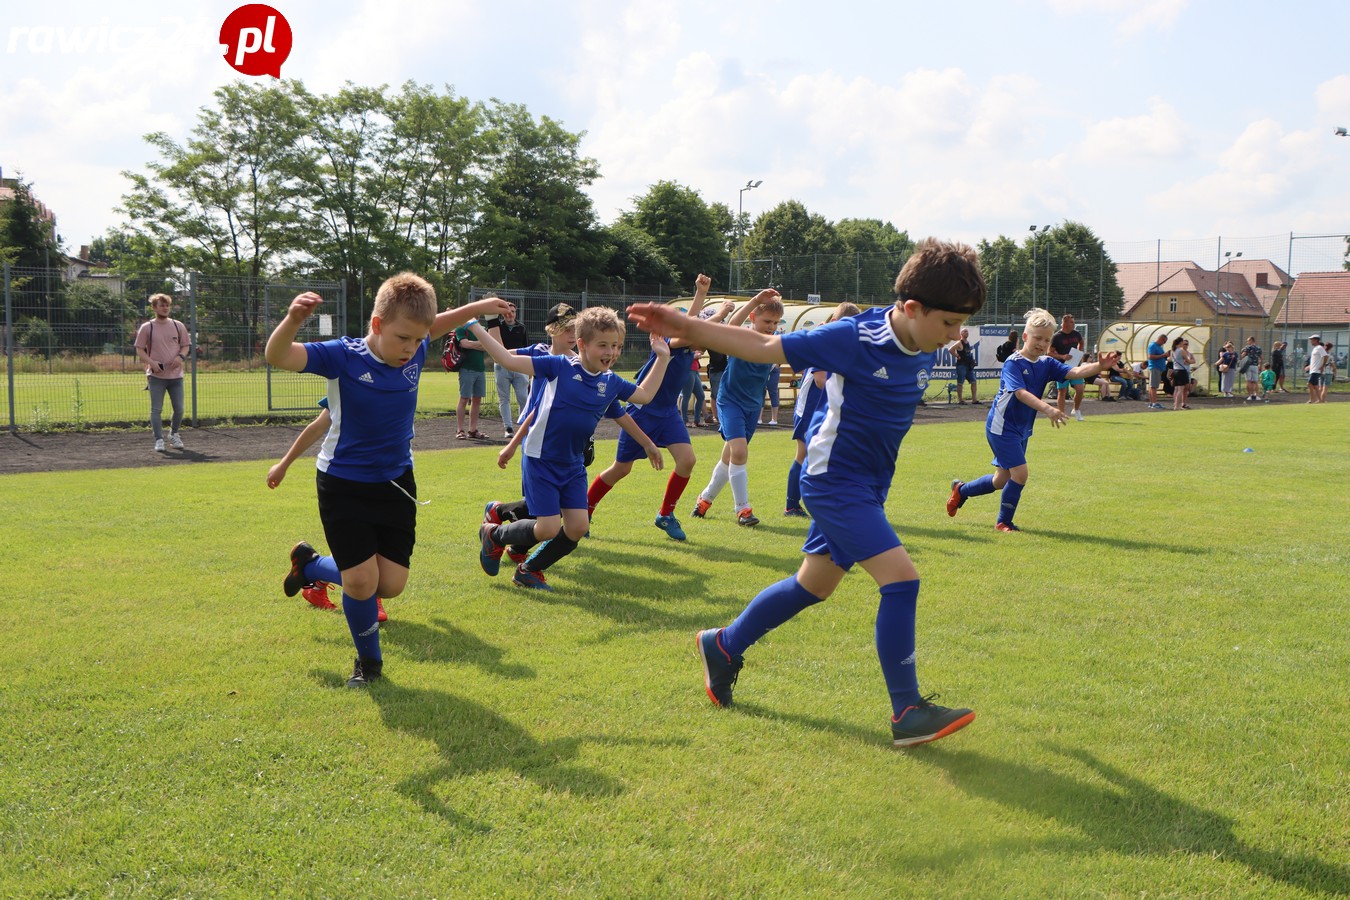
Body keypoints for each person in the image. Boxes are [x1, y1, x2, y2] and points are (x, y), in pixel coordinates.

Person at [628, 237, 988, 748]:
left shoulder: (921, 338)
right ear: (912, 309)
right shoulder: (854, 336)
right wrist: (689, 327)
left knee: (813, 585)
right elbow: (764, 347)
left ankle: (723, 646)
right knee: (902, 581)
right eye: (949, 324)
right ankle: (907, 710)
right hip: (833, 482)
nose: (956, 335)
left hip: (867, 485)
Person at [265, 273, 509, 687]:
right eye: (403, 339)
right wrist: (292, 319)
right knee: (362, 582)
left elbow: (440, 322)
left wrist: (479, 307)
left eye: (418, 341)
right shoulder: (343, 356)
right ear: (377, 325)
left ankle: (310, 568)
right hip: (342, 483)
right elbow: (277, 356)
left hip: (396, 482)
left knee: (390, 585)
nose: (412, 349)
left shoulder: (414, 344)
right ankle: (369, 664)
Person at [473, 307, 668, 591]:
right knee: (548, 527)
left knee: (578, 527)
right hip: (541, 460)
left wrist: (662, 357)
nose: (611, 352)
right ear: (582, 344)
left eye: (615, 346)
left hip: (573, 465)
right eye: (603, 345)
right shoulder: (558, 366)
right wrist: (474, 324)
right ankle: (494, 535)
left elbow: (645, 395)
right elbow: (506, 359)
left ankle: (529, 570)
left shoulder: (609, 381)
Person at [947, 307, 1119, 533]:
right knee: (1020, 474)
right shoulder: (1013, 362)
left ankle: (962, 490)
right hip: (1002, 427)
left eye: (1046, 340)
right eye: (1037, 338)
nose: (1041, 343)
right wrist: (1048, 409)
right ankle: (1003, 522)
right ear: (1025, 337)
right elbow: (1020, 393)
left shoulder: (1047, 363)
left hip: (1021, 428)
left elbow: (1074, 373)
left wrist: (1098, 366)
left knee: (1001, 480)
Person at [587, 274, 714, 542]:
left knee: (688, 460)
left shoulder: (688, 350)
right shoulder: (671, 345)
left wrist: (726, 311)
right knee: (621, 469)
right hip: (641, 414)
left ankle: (665, 515)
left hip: (667, 413)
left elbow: (704, 331)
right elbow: (687, 329)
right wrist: (700, 295)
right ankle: (584, 511)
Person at [266, 398, 388, 621]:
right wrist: (283, 465)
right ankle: (372, 599)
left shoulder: (398, 381)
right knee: (365, 547)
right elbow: (317, 426)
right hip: (345, 479)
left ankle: (313, 571)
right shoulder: (347, 381)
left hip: (386, 477)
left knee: (379, 547)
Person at [689, 290, 785, 527]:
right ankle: (743, 510)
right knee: (739, 452)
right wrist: (754, 300)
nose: (771, 327)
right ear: (753, 317)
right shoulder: (740, 337)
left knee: (730, 456)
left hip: (753, 407)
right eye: (766, 321)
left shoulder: (774, 344)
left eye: (775, 322)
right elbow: (732, 323)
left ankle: (705, 499)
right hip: (730, 403)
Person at [785, 302, 862, 517]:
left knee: (827, 455)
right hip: (809, 408)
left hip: (825, 409)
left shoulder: (839, 344)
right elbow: (820, 380)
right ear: (835, 323)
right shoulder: (824, 341)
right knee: (804, 454)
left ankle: (828, 502)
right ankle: (791, 505)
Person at [134, 293, 192, 452]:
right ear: (154, 308)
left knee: (179, 408)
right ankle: (159, 439)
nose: (165, 308)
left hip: (176, 376)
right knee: (156, 409)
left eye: (167, 305)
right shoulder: (148, 327)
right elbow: (139, 349)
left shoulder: (177, 325)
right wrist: (151, 363)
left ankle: (174, 434)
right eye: (161, 305)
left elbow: (186, 346)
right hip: (156, 376)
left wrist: (180, 357)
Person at [491, 301, 530, 438]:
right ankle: (508, 428)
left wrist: (528, 370)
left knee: (523, 397)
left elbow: (526, 349)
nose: (510, 314)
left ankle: (523, 425)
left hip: (519, 367)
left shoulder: (522, 328)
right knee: (504, 399)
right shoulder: (498, 327)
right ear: (503, 314)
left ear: (515, 313)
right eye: (507, 312)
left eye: (512, 312)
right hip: (501, 367)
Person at [454, 310, 489, 440]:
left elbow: (487, 346)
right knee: (464, 398)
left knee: (477, 400)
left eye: (477, 315)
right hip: (467, 368)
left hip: (480, 369)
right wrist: (481, 344)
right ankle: (460, 430)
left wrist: (474, 345)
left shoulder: (481, 330)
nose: (476, 317)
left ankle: (473, 430)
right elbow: (464, 343)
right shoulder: (461, 328)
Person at [1050, 313, 1086, 421]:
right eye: (1072, 322)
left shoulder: (1076, 334)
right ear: (1065, 323)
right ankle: (1061, 414)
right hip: (1062, 367)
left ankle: (1076, 410)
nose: (1074, 324)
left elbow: (1081, 342)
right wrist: (1062, 356)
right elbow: (1049, 353)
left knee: (1080, 389)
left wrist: (1078, 353)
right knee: (1062, 391)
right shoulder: (1056, 337)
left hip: (1075, 367)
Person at [950, 328, 978, 404]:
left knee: (973, 381)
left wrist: (972, 360)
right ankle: (960, 400)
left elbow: (968, 354)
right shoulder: (959, 342)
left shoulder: (967, 342)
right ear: (961, 334)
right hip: (961, 365)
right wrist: (956, 355)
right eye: (965, 331)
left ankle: (974, 399)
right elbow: (950, 349)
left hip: (968, 365)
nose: (966, 333)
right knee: (960, 382)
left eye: (967, 331)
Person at [1146, 332, 1169, 410]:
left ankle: (1152, 402)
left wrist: (1166, 356)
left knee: (1153, 386)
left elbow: (1162, 356)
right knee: (1153, 386)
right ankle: (1154, 403)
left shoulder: (1160, 347)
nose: (1164, 343)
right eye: (1164, 341)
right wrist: (1163, 355)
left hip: (1159, 368)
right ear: (1160, 339)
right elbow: (1151, 356)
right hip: (1154, 367)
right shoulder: (1153, 345)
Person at [1171, 337, 1194, 410]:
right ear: (1180, 343)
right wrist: (1188, 361)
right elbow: (1188, 361)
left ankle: (1175, 404)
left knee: (1176, 389)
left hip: (1175, 371)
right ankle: (1177, 406)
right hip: (1181, 371)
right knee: (1181, 389)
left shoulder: (1172, 351)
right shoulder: (1181, 351)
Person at [1239, 335, 1263, 401]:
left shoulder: (1248, 347)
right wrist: (1260, 365)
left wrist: (1242, 353)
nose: (1247, 342)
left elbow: (1243, 355)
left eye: (1248, 341)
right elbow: (1261, 358)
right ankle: (1257, 395)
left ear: (1251, 340)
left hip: (1248, 366)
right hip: (1255, 366)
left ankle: (1250, 395)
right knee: (1255, 381)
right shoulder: (1258, 348)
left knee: (1248, 381)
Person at [1305, 335, 1327, 403]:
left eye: (1312, 339)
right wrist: (1309, 366)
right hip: (1313, 369)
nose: (1311, 341)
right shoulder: (1315, 348)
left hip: (1316, 370)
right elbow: (1315, 360)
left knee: (1309, 384)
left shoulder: (1319, 348)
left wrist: (1322, 366)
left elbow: (1325, 356)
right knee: (1315, 385)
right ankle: (1320, 400)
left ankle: (1312, 399)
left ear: (1316, 340)